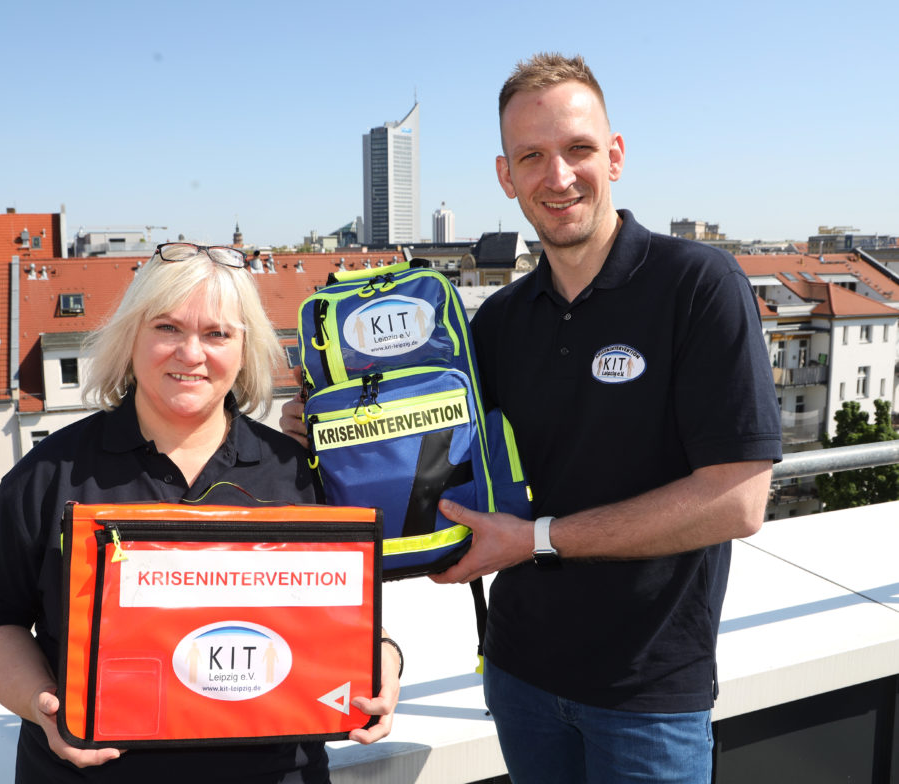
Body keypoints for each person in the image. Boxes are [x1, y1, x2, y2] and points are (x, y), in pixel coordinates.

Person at [281, 53, 781, 783]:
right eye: (532, 157)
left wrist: (534, 541)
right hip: (519, 677)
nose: (558, 176)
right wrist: (319, 435)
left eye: (578, 149)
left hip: (648, 692)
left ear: (614, 155)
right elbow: (435, 456)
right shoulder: (499, 320)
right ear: (504, 176)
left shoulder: (698, 284)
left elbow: (738, 501)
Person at [0, 242, 401, 783]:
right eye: (167, 328)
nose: (191, 354)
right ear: (131, 338)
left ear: (244, 349)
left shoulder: (300, 472)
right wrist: (44, 708)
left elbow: (345, 622)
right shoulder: (53, 471)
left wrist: (386, 665)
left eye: (217, 334)